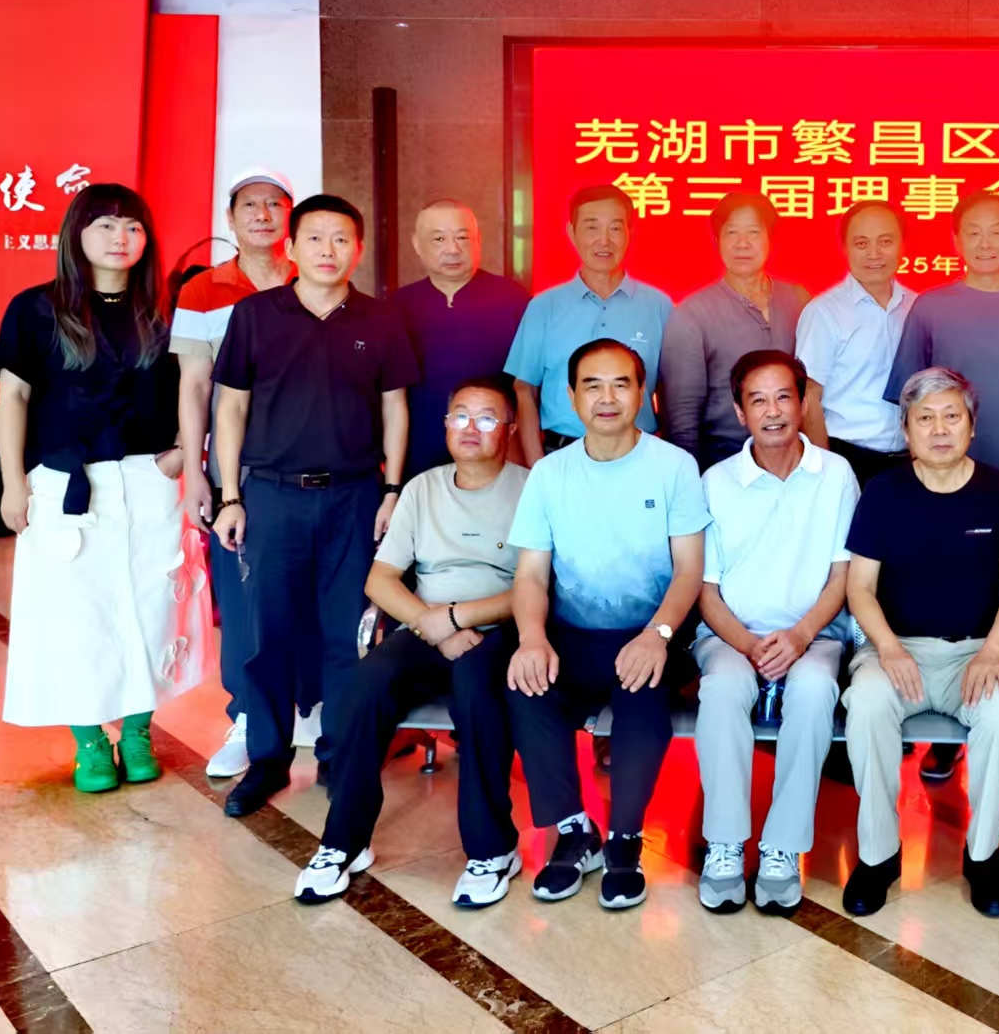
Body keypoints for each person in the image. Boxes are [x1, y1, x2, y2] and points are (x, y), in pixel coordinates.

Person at [211, 194, 420, 818]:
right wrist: (230, 495)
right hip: (271, 495)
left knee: (346, 635)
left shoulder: (380, 320)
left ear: (358, 249)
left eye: (341, 239)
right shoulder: (255, 315)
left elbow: (394, 408)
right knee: (267, 634)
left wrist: (392, 491)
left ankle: (338, 755)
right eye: (315, 238)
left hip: (354, 496)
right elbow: (231, 408)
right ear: (292, 247)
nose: (328, 251)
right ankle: (267, 758)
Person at [294, 376, 529, 908]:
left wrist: (455, 618)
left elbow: (538, 586)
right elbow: (379, 580)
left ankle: (493, 850)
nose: (471, 428)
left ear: (510, 429)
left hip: (500, 631)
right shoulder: (422, 489)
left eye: (487, 418)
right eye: (460, 415)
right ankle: (343, 843)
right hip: (426, 628)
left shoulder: (533, 488)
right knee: (362, 687)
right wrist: (431, 623)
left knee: (477, 691)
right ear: (444, 425)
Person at [0, 184, 185, 792]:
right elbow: (14, 397)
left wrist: (183, 453)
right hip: (64, 483)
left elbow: (197, 389)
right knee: (76, 614)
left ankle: (138, 730)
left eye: (133, 227)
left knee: (153, 608)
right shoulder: (37, 308)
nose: (120, 238)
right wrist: (13, 483)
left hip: (148, 479)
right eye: (105, 225)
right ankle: (90, 742)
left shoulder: (165, 312)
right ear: (76, 234)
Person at [505, 340, 708, 909]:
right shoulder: (549, 474)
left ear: (643, 394)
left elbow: (689, 570)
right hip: (572, 635)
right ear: (571, 397)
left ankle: (624, 838)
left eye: (621, 384)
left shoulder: (674, 467)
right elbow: (530, 574)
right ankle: (575, 831)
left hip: (654, 632)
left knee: (643, 692)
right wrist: (531, 639)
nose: (607, 397)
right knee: (525, 685)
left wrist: (658, 635)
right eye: (592, 385)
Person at [840, 367, 999, 919]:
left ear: (972, 425)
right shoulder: (884, 492)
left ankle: (984, 855)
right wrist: (888, 647)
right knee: (867, 704)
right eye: (925, 418)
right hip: (895, 651)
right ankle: (879, 855)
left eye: (952, 416)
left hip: (978, 652)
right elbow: (860, 588)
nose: (940, 429)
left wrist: (993, 650)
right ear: (906, 429)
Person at [694, 351, 861, 916]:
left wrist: (800, 636)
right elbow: (705, 589)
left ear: (803, 403)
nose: (772, 412)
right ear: (740, 412)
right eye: (758, 400)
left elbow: (842, 576)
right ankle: (724, 844)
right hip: (730, 636)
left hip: (815, 633)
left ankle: (781, 848)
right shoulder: (717, 482)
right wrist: (747, 645)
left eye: (783, 397)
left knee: (813, 690)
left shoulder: (835, 475)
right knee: (722, 689)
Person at [170, 168, 297, 778]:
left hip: (318, 462)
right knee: (243, 594)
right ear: (231, 218)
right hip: (236, 468)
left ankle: (314, 714)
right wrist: (197, 472)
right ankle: (247, 716)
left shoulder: (316, 274)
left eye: (275, 204)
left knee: (316, 592)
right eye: (251, 205)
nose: (263, 214)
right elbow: (194, 385)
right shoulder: (203, 290)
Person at [885, 191, 999, 563]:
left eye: (996, 232)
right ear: (956, 240)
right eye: (973, 233)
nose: (985, 243)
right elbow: (909, 403)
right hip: (945, 478)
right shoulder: (930, 307)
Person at [506, 184, 672, 462]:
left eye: (615, 228)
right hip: (561, 454)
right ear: (571, 233)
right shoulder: (543, 307)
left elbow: (671, 391)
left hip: (640, 456)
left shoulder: (659, 306)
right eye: (592, 228)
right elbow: (525, 390)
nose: (603, 241)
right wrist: (537, 467)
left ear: (630, 233)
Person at [661, 191, 809, 472]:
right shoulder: (693, 313)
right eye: (732, 233)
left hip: (793, 458)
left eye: (753, 232)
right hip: (724, 460)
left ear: (770, 239)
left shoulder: (799, 300)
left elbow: (812, 388)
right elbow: (682, 416)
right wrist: (691, 479)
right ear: (717, 241)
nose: (743, 243)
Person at [395, 200, 529, 478]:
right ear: (417, 244)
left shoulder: (514, 300)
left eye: (462, 237)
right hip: (418, 456)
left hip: (496, 454)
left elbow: (528, 389)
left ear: (478, 240)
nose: (452, 249)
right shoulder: (397, 307)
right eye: (439, 239)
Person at [796, 200, 917, 485]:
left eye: (885, 241)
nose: (874, 253)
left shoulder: (918, 306)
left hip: (912, 458)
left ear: (902, 245)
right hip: (847, 458)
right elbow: (809, 398)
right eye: (862, 243)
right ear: (845, 248)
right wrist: (825, 473)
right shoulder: (823, 312)